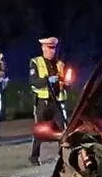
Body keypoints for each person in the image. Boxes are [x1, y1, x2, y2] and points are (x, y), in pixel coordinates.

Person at [27, 36, 71, 165]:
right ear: (43, 48)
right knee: (40, 130)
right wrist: (48, 80)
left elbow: (64, 81)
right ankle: (34, 156)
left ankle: (63, 157)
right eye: (49, 48)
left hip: (58, 101)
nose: (52, 51)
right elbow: (33, 81)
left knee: (62, 130)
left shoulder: (60, 64)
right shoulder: (35, 62)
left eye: (54, 48)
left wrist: (66, 83)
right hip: (43, 101)